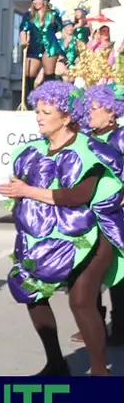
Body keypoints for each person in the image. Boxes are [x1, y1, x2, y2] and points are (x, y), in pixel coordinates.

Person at [2, 81, 124, 377]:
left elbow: (77, 196)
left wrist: (28, 191)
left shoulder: (92, 149)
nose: (39, 117)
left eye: (46, 112)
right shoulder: (32, 149)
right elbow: (22, 187)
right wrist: (18, 193)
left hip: (93, 235)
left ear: (67, 116)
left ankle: (99, 373)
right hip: (47, 236)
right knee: (32, 291)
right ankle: (56, 364)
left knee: (81, 301)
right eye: (38, 111)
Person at [75, 82, 124, 346]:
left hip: (115, 217)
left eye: (96, 109)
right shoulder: (88, 136)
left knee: (118, 274)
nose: (90, 113)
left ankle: (120, 328)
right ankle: (92, 324)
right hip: (87, 215)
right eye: (89, 108)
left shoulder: (120, 137)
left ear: (111, 112)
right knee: (85, 270)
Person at [19, 0, 63, 93]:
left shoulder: (53, 14)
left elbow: (59, 28)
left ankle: (49, 98)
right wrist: (23, 40)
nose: (36, 2)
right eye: (34, 0)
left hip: (50, 46)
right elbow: (23, 29)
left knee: (49, 74)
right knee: (29, 74)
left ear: (45, 1)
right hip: (34, 46)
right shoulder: (28, 15)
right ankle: (28, 101)